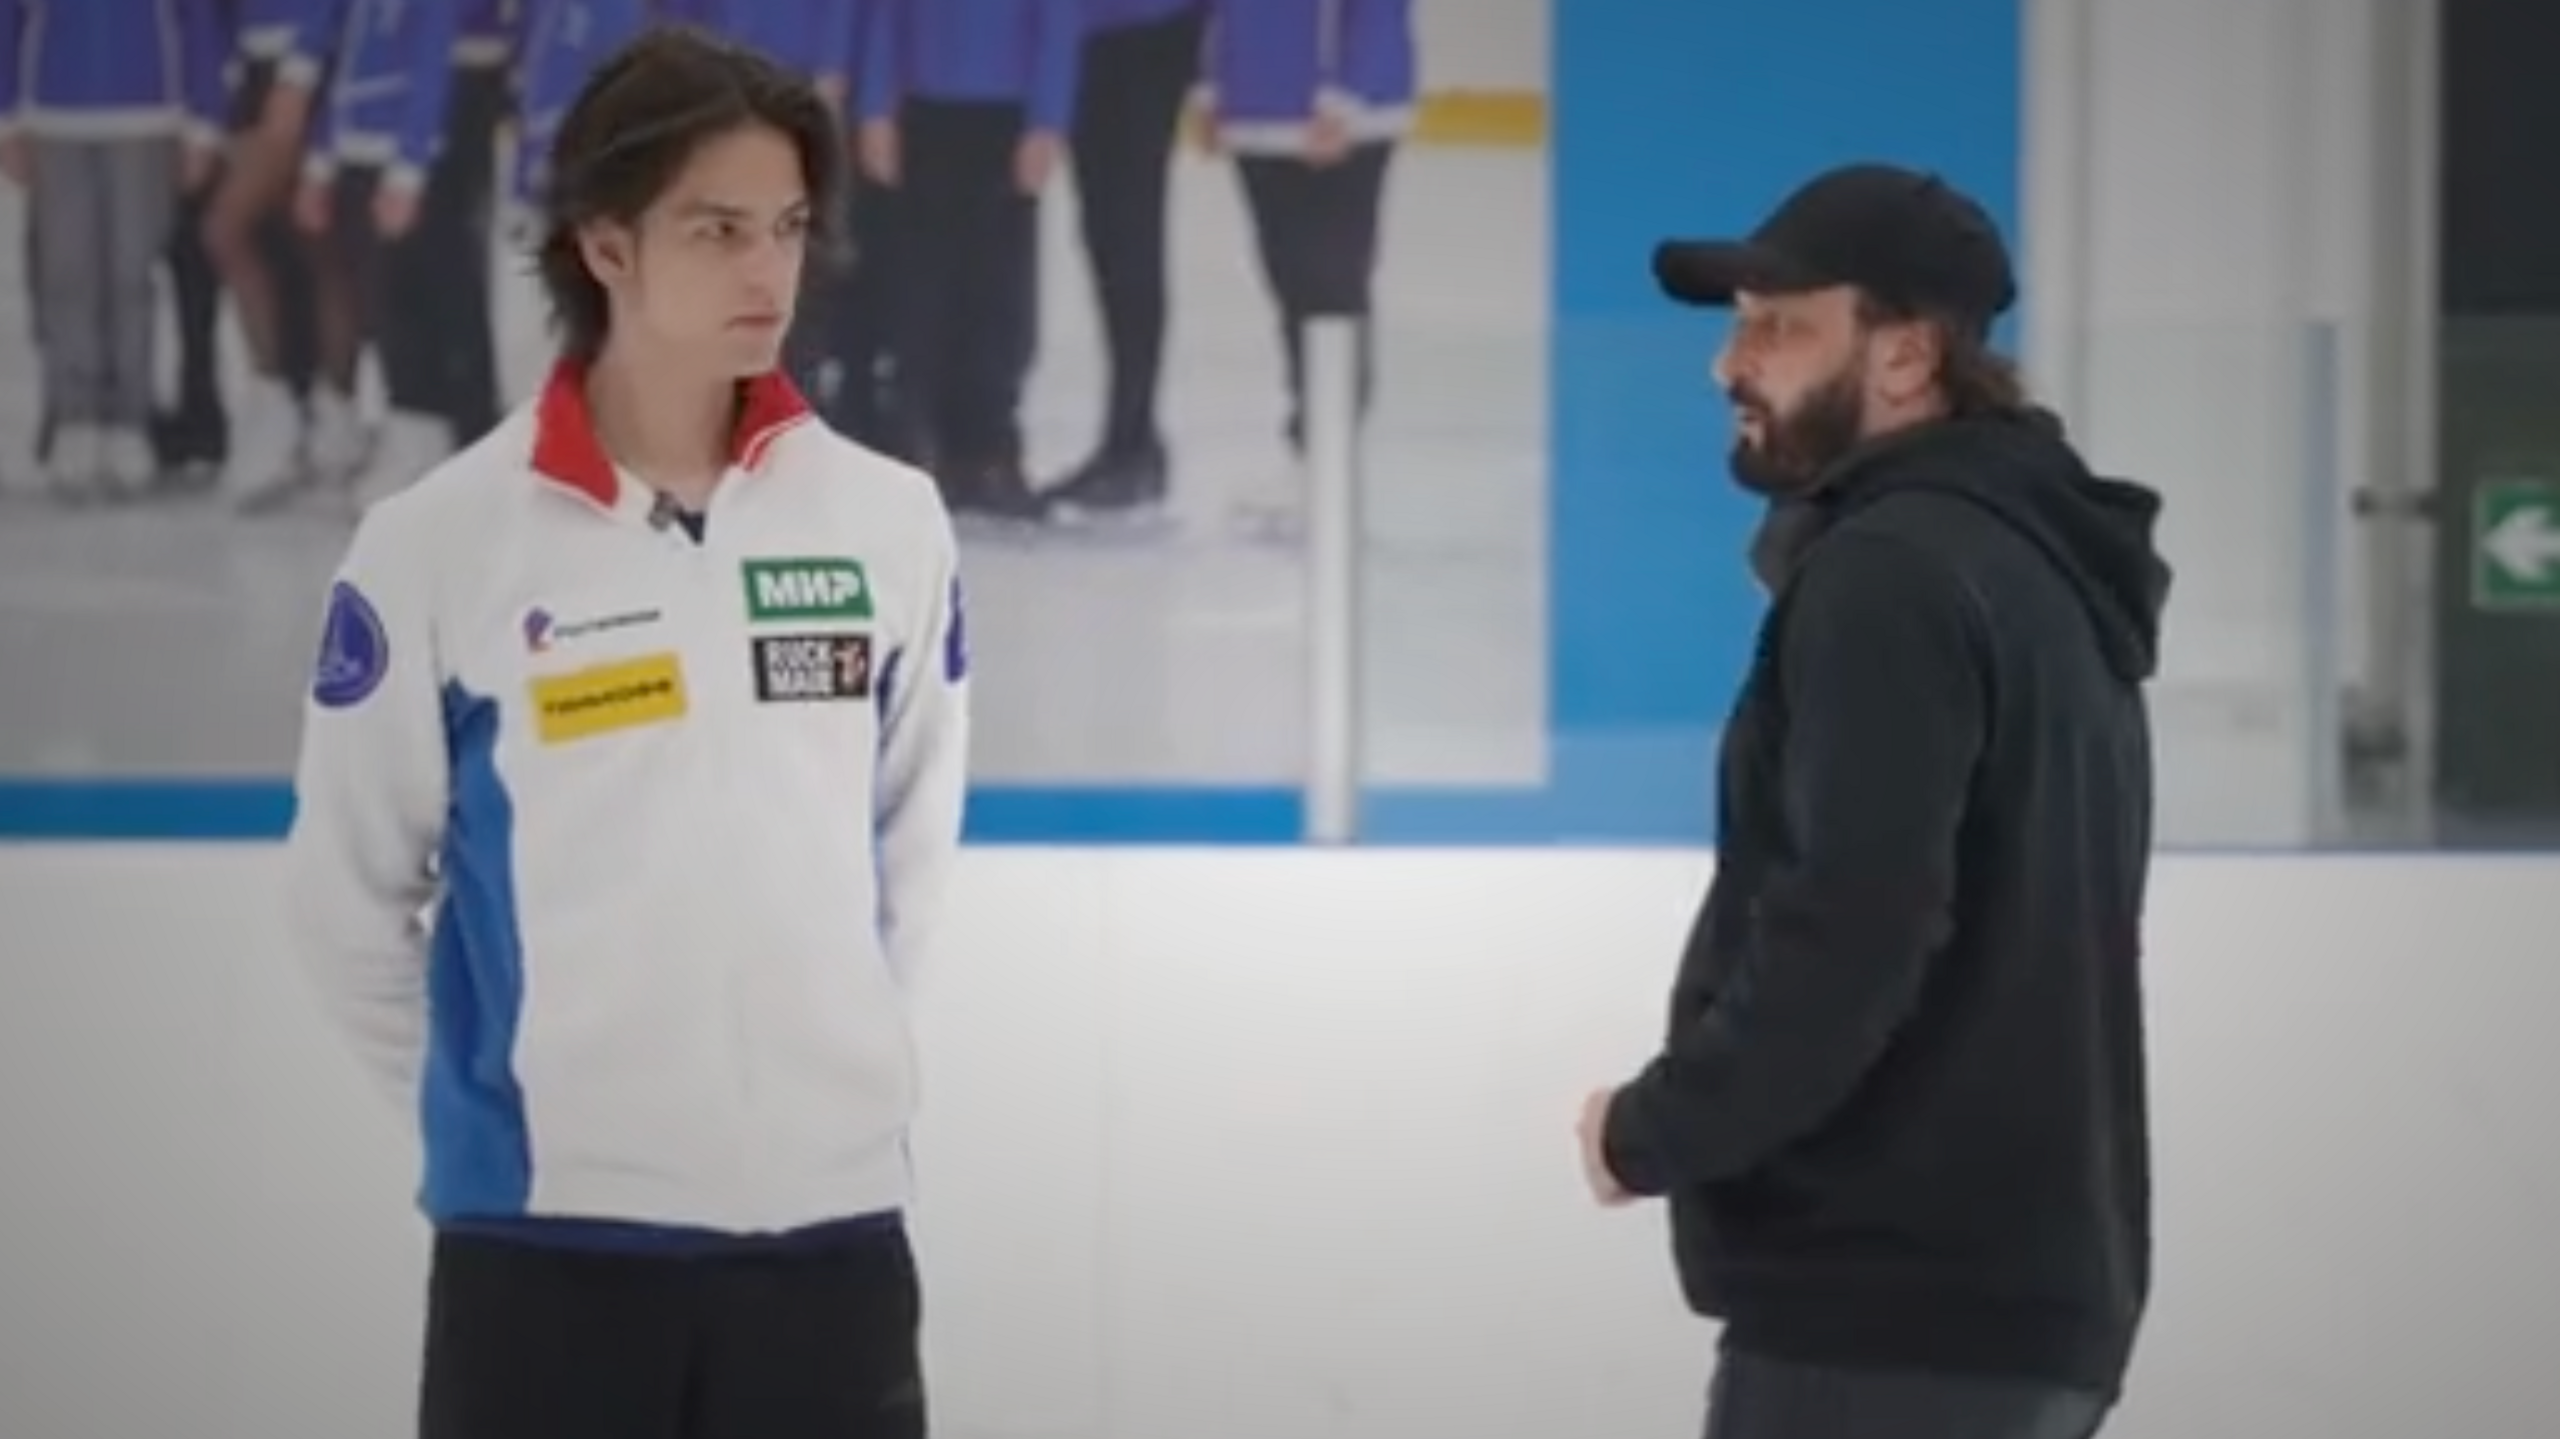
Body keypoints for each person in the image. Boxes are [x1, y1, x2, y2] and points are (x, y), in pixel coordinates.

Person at [279, 25, 970, 1439]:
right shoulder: (438, 546)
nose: (767, 269)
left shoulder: (887, 522)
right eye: (717, 229)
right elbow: (344, 901)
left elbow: (909, 862)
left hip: (833, 1250)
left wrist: (828, 1095)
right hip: (547, 1261)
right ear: (605, 245)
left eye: (787, 227)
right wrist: (517, 1112)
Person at [1571, 162, 2171, 1439]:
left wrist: (1655, 1126)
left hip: (1892, 1311)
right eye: (1737, 324)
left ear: (1905, 356)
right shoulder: (2033, 563)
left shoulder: (1890, 573)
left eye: (1778, 327)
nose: (1729, 364)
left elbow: (1851, 927)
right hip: (2007, 1303)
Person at [1196, 0, 1412, 539]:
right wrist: (1211, 84)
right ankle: (1308, 450)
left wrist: (1347, 96)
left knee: (1330, 287)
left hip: (1339, 117)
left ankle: (1328, 454)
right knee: (1292, 284)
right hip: (1255, 107)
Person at [859, 0, 1077, 521]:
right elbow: (884, 15)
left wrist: (1047, 118)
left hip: (1006, 116)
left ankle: (989, 449)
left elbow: (1057, 19)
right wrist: (874, 106)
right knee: (920, 291)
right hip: (922, 111)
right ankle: (920, 441)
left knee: (998, 294)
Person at [0, 0, 224, 502]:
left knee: (130, 275)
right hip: (54, 113)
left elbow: (197, 20)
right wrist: (6, 115)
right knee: (67, 274)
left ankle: (129, 416)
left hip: (149, 113)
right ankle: (75, 415)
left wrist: (204, 117)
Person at [1038, 0, 1205, 523]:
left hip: (1138, 32)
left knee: (1127, 230)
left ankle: (1132, 440)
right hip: (1097, 32)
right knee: (1112, 233)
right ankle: (1132, 437)